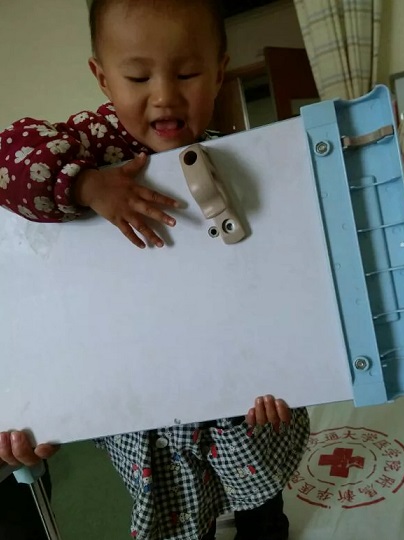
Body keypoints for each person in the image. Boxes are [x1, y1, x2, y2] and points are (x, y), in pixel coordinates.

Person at [0, 1, 310, 538]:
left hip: (233, 375)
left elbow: (281, 281)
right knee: (178, 505)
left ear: (218, 72)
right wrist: (85, 185)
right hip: (143, 389)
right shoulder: (91, 145)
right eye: (138, 77)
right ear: (103, 78)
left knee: (259, 490)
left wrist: (289, 367)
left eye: (187, 74)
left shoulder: (241, 158)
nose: (164, 95)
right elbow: (9, 152)